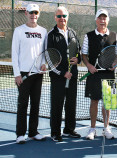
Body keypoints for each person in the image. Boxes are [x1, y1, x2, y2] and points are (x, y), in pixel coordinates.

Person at [82, 9, 117, 140]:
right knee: (94, 101)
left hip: (109, 74)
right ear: (96, 20)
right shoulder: (88, 36)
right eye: (100, 18)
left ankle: (106, 128)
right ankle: (92, 129)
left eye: (105, 18)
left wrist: (115, 64)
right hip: (94, 74)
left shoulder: (115, 35)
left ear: (108, 20)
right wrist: (89, 66)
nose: (102, 21)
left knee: (108, 102)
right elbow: (84, 54)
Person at [11, 4, 47, 144]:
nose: (33, 15)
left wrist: (44, 64)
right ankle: (20, 134)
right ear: (26, 13)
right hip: (23, 74)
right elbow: (14, 53)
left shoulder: (43, 31)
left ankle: (33, 132)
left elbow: (44, 51)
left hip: (38, 73)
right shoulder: (19, 30)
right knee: (23, 104)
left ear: (39, 14)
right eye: (31, 12)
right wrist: (17, 74)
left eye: (36, 13)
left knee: (36, 104)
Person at [47, 6, 81, 142]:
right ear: (55, 18)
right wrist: (62, 73)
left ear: (68, 17)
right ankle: (55, 132)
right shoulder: (51, 35)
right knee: (57, 105)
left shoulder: (73, 33)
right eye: (59, 16)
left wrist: (77, 60)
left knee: (71, 104)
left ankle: (69, 129)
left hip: (72, 76)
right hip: (58, 78)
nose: (62, 19)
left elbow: (77, 51)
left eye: (64, 16)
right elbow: (49, 58)